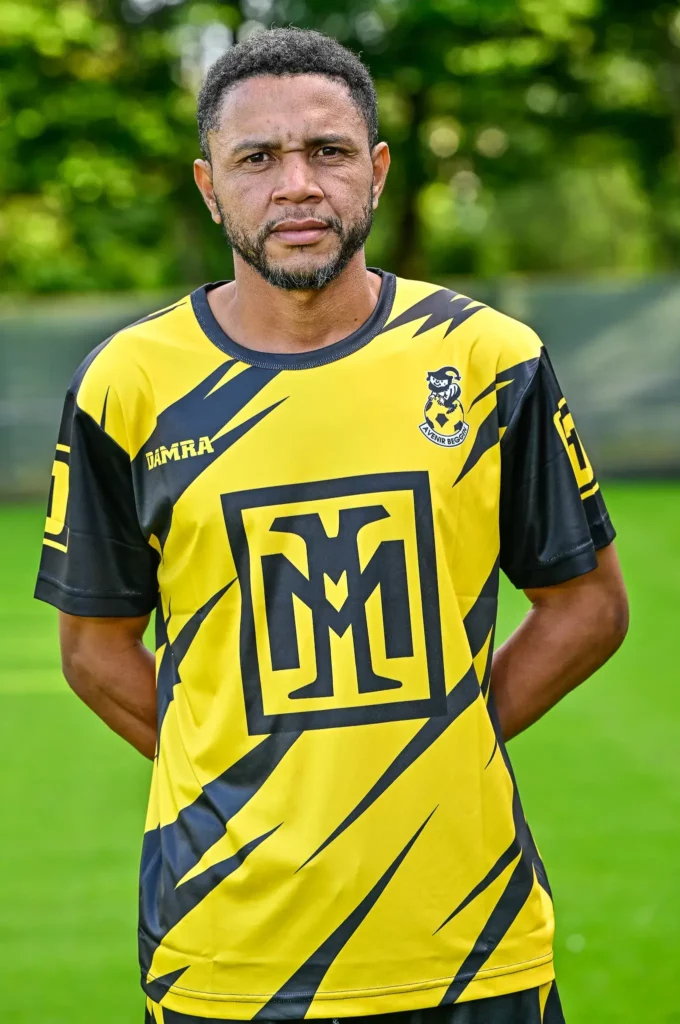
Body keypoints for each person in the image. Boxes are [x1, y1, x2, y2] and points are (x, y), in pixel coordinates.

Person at [35, 27, 629, 1024]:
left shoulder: (488, 359)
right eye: (257, 158)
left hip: (468, 944)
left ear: (377, 171)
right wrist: (245, 778)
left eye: (328, 151)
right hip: (224, 954)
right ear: (208, 186)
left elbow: (585, 607)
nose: (296, 183)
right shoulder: (127, 385)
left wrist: (440, 741)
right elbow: (94, 650)